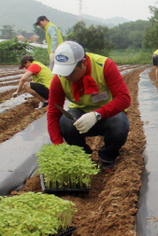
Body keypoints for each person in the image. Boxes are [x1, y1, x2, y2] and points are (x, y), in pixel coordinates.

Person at [46, 41, 131, 173]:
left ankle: (108, 158)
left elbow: (124, 99)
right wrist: (58, 146)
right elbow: (53, 112)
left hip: (106, 114)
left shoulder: (104, 66)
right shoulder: (59, 78)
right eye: (63, 72)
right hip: (79, 116)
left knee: (119, 123)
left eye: (71, 71)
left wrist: (96, 115)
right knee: (66, 122)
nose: (67, 76)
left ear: (84, 63)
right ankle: (82, 157)